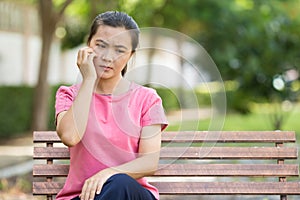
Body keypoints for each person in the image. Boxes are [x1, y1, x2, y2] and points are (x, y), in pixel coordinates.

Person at [54, 11, 168, 200]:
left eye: (119, 50)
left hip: (131, 194)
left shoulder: (147, 99)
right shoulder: (69, 94)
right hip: (82, 197)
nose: (108, 57)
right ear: (88, 45)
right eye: (101, 45)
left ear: (131, 55)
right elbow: (70, 136)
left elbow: (149, 162)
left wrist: (108, 173)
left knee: (118, 184)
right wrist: (89, 79)